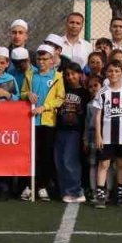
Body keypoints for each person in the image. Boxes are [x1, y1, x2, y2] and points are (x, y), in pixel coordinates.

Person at [26, 44, 66, 202]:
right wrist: (27, 94)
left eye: (45, 59)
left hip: (48, 122)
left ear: (51, 60)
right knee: (32, 154)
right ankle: (29, 186)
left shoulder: (57, 77)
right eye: (39, 59)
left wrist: (44, 107)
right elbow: (22, 92)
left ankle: (43, 186)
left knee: (46, 155)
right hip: (31, 121)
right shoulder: (30, 75)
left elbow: (60, 98)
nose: (42, 62)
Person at [93, 60, 122, 208]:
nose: (114, 74)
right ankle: (100, 196)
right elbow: (98, 115)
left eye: (117, 71)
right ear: (106, 73)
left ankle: (121, 195)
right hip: (106, 135)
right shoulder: (103, 92)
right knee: (103, 164)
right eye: (110, 71)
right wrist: (98, 135)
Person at [51, 62, 89, 204]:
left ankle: (75, 190)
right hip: (60, 129)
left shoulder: (84, 93)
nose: (70, 77)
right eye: (67, 74)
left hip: (75, 131)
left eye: (73, 74)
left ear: (80, 74)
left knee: (69, 161)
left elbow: (87, 114)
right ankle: (64, 190)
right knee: (59, 160)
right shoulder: (62, 90)